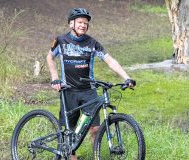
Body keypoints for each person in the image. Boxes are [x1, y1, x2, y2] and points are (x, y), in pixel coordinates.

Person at [46, 8, 135, 160]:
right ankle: (71, 156)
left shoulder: (92, 43)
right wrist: (55, 78)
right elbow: (49, 57)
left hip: (89, 92)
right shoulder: (60, 41)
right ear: (71, 24)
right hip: (68, 91)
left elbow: (110, 60)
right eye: (80, 22)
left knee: (95, 129)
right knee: (70, 130)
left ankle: (96, 156)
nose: (83, 25)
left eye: (86, 23)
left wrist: (127, 77)